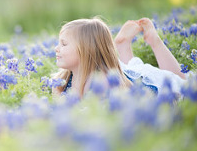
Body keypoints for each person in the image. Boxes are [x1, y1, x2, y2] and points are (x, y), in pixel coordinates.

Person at [54, 16, 188, 96]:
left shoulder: (103, 82)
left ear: (86, 49)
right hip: (125, 74)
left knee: (182, 82)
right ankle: (123, 46)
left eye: (64, 44)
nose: (56, 48)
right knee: (129, 69)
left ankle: (154, 40)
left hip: (150, 86)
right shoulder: (61, 81)